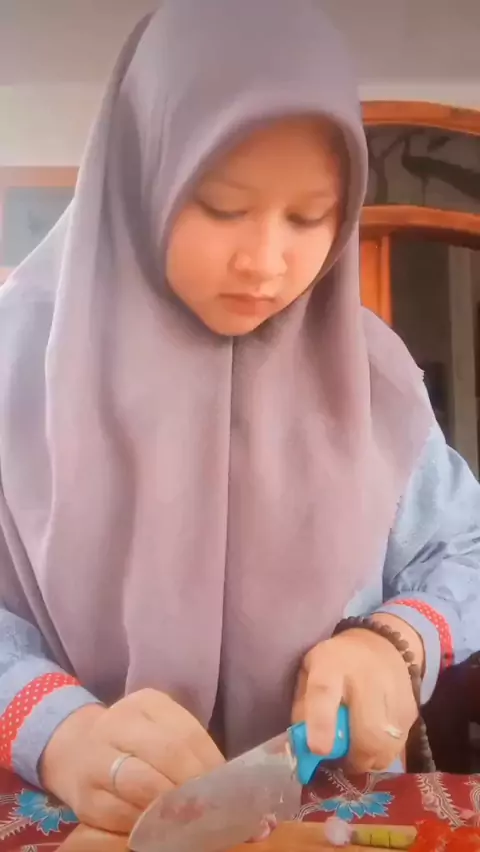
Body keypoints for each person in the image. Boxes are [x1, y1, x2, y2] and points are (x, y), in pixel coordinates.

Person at [0, 0, 479, 839]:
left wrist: (398, 638)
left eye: (309, 217)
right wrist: (52, 726)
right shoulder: (19, 364)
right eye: (222, 207)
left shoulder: (367, 374)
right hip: (69, 812)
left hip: (318, 817)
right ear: (140, 178)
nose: (265, 261)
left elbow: (465, 547)